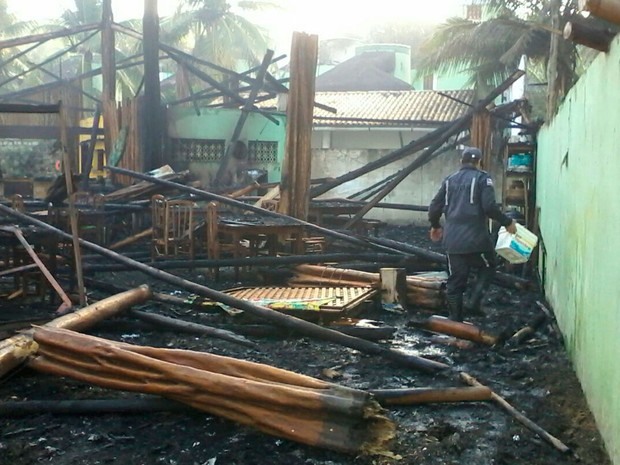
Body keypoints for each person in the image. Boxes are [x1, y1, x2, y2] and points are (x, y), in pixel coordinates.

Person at [428, 146, 517, 322]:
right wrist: (507, 222)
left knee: (455, 281)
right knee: (489, 266)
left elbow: (433, 207)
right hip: (478, 240)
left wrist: (435, 225)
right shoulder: (484, 179)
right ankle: (474, 303)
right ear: (478, 162)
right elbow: (489, 207)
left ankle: (455, 320)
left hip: (453, 241)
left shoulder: (449, 180)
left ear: (461, 161)